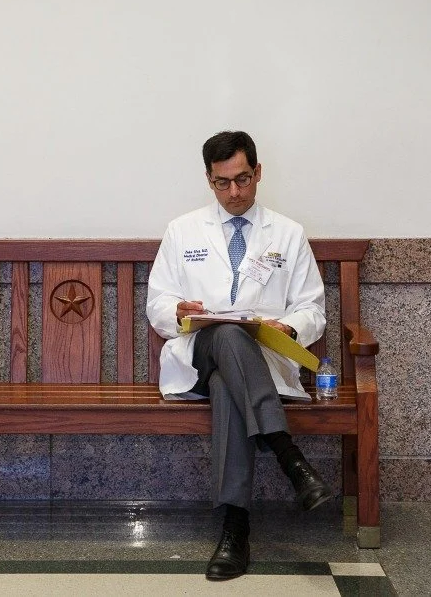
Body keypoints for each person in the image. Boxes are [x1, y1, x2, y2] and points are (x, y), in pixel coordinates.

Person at [146, 130, 331, 581]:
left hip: (258, 360)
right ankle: (287, 454)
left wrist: (289, 327)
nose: (234, 192)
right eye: (222, 182)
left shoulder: (287, 234)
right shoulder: (183, 230)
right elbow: (157, 303)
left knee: (229, 382)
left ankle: (235, 528)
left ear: (258, 172)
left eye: (243, 179)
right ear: (208, 180)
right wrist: (177, 310)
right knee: (226, 333)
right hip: (198, 353)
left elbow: (312, 309)